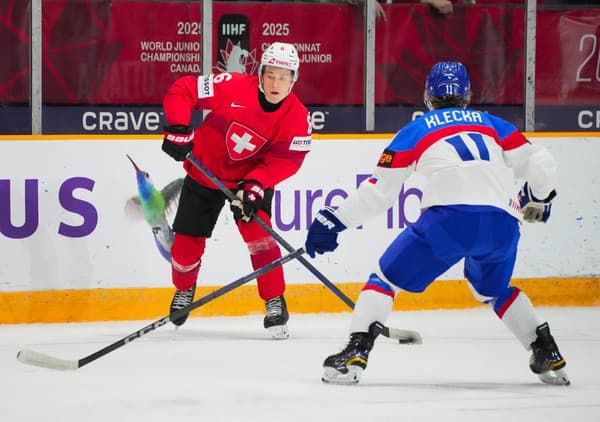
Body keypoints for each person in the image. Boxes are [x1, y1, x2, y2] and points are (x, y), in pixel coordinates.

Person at [305, 61, 569, 385]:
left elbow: (379, 194)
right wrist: (540, 199)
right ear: (467, 95)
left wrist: (335, 220)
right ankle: (547, 351)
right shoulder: (493, 124)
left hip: (449, 222)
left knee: (385, 279)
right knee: (494, 289)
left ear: (428, 96)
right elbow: (541, 161)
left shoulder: (417, 129)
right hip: (503, 225)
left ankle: (355, 354)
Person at [161, 42, 312, 339]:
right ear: (260, 73)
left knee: (262, 240)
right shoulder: (231, 85)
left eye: (284, 77)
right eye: (270, 75)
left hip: (249, 183)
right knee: (185, 248)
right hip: (205, 172)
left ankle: (274, 299)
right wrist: (179, 128)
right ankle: (184, 288)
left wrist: (256, 184)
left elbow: (288, 160)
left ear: (294, 79)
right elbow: (183, 89)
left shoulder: (297, 117)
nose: (276, 83)